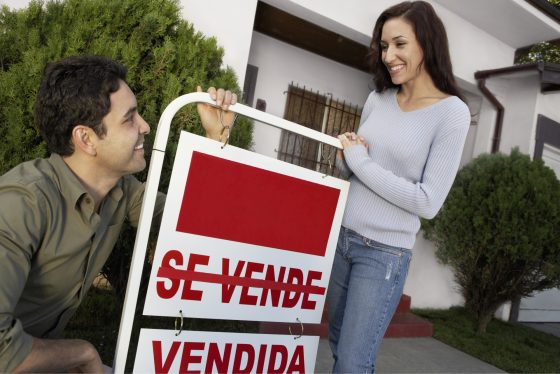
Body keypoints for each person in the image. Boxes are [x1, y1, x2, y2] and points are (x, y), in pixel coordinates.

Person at [0, 55, 237, 373]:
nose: (145, 126)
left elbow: (193, 224)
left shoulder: (122, 191)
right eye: (129, 119)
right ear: (86, 138)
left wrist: (215, 139)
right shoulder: (22, 202)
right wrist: (82, 353)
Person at [326, 1, 471, 372]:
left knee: (352, 365)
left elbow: (428, 201)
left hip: (384, 255)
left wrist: (360, 161)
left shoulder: (452, 113)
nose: (388, 55)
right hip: (342, 240)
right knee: (340, 349)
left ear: (426, 41)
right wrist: (346, 160)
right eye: (384, 45)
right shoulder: (378, 99)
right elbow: (356, 171)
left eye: (399, 44)